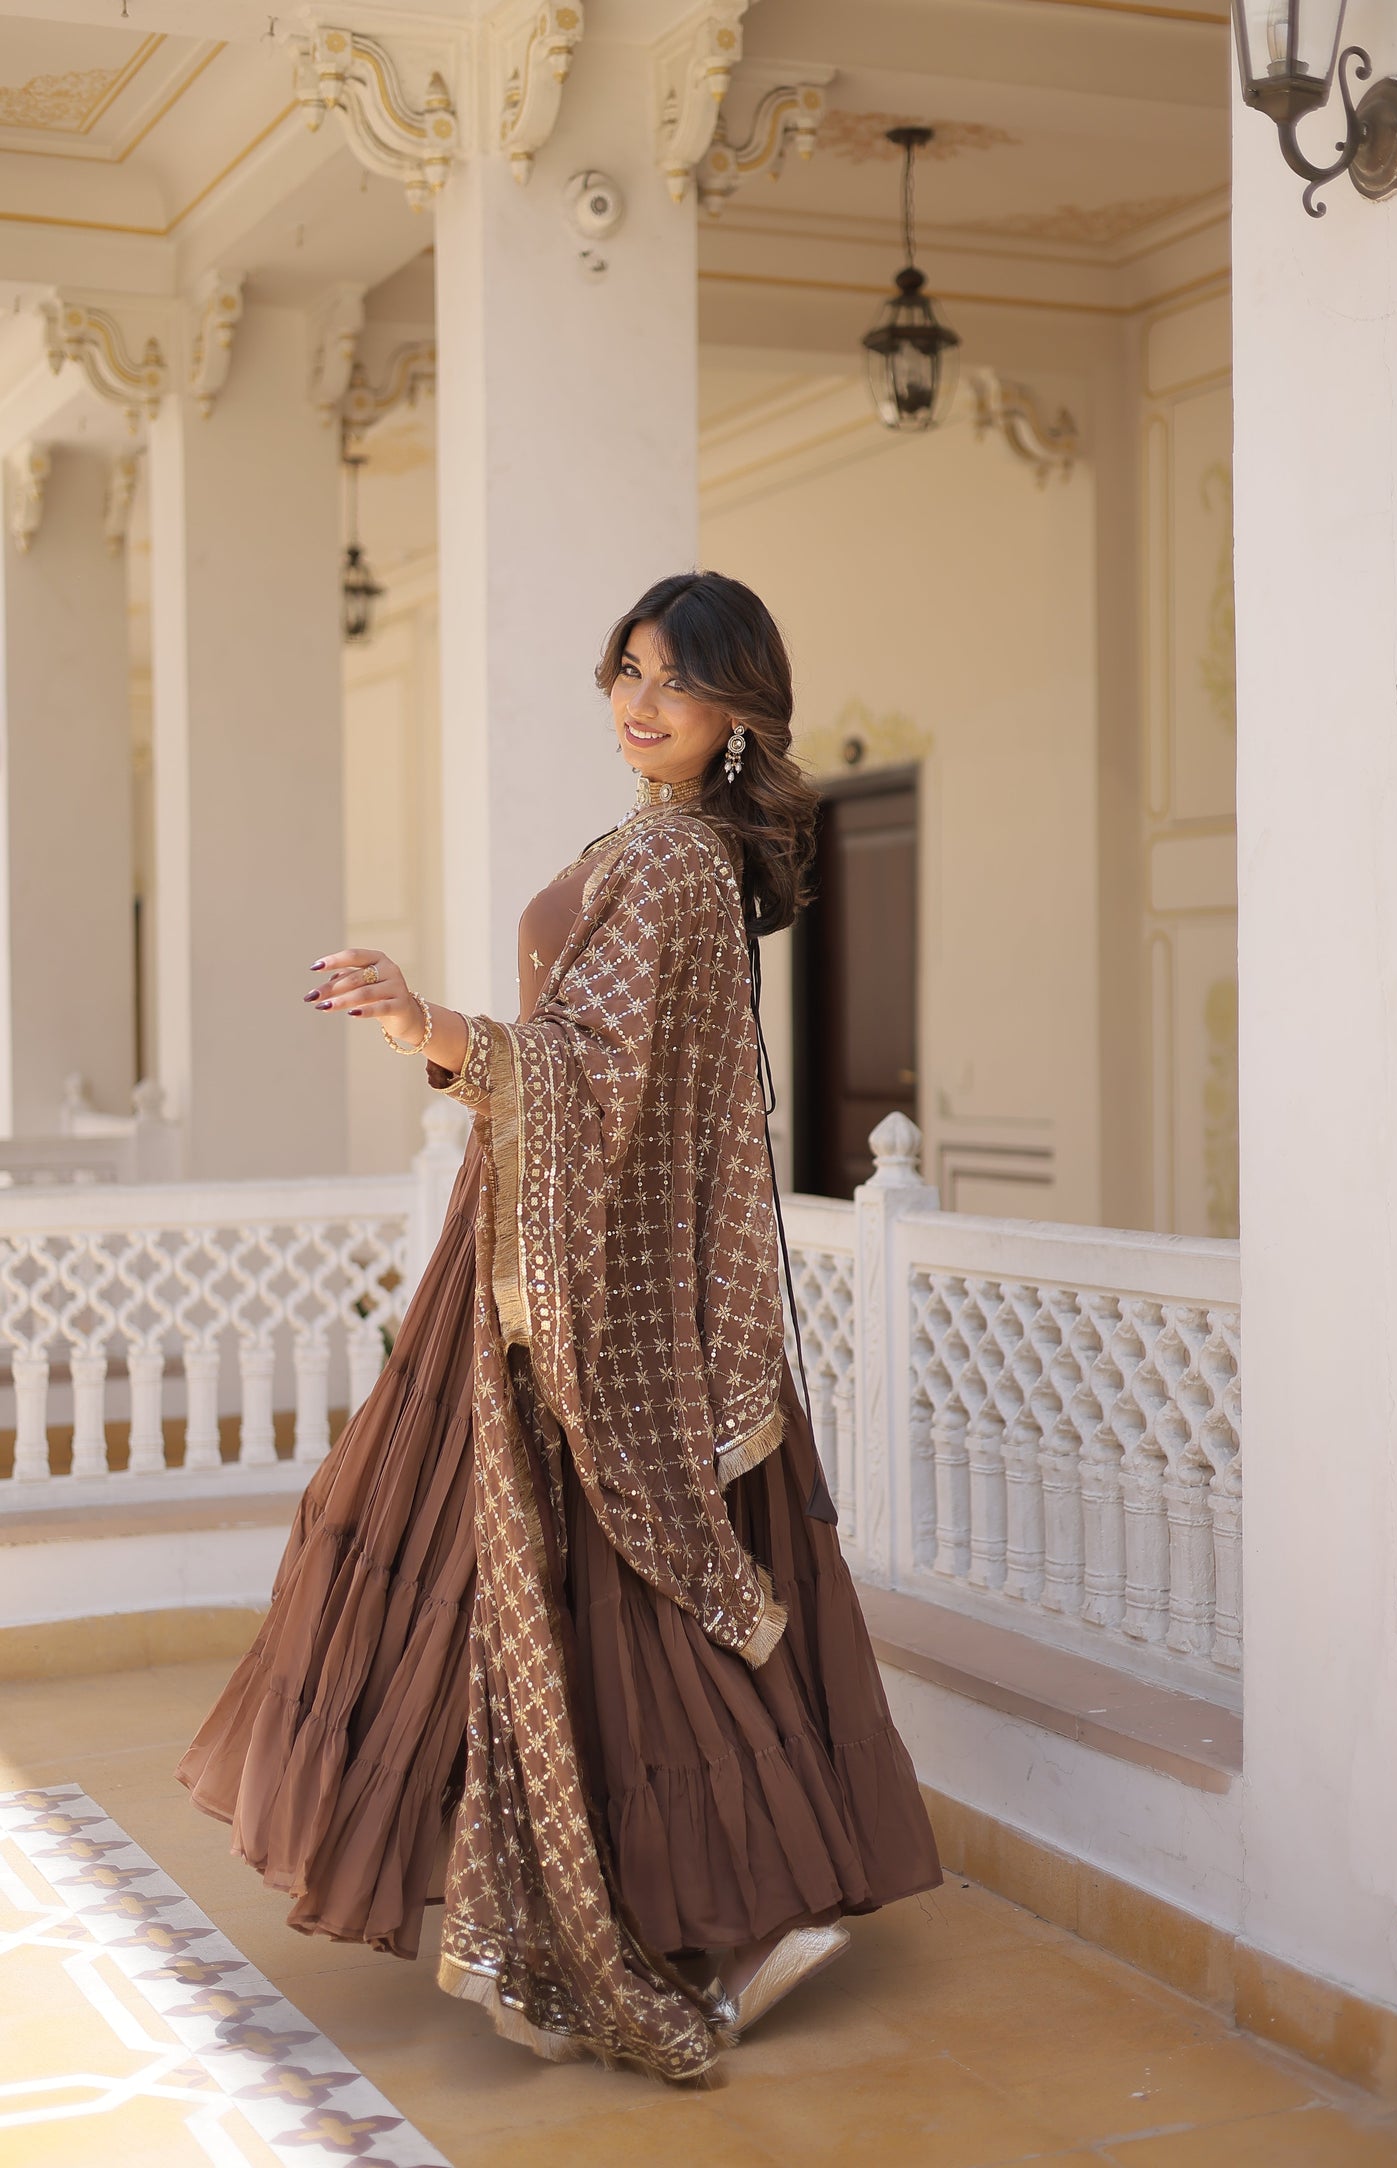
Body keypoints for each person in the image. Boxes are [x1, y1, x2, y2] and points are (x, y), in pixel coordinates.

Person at [177, 570, 941, 2082]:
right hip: (547, 1242)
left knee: (600, 1574)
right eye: (625, 671)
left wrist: (419, 1025)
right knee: (565, 1579)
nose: (636, 703)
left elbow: (592, 1072)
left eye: (672, 681)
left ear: (739, 713)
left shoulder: (671, 869)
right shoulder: (659, 849)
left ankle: (711, 1913)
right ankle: (709, 1903)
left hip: (590, 1269)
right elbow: (594, 1073)